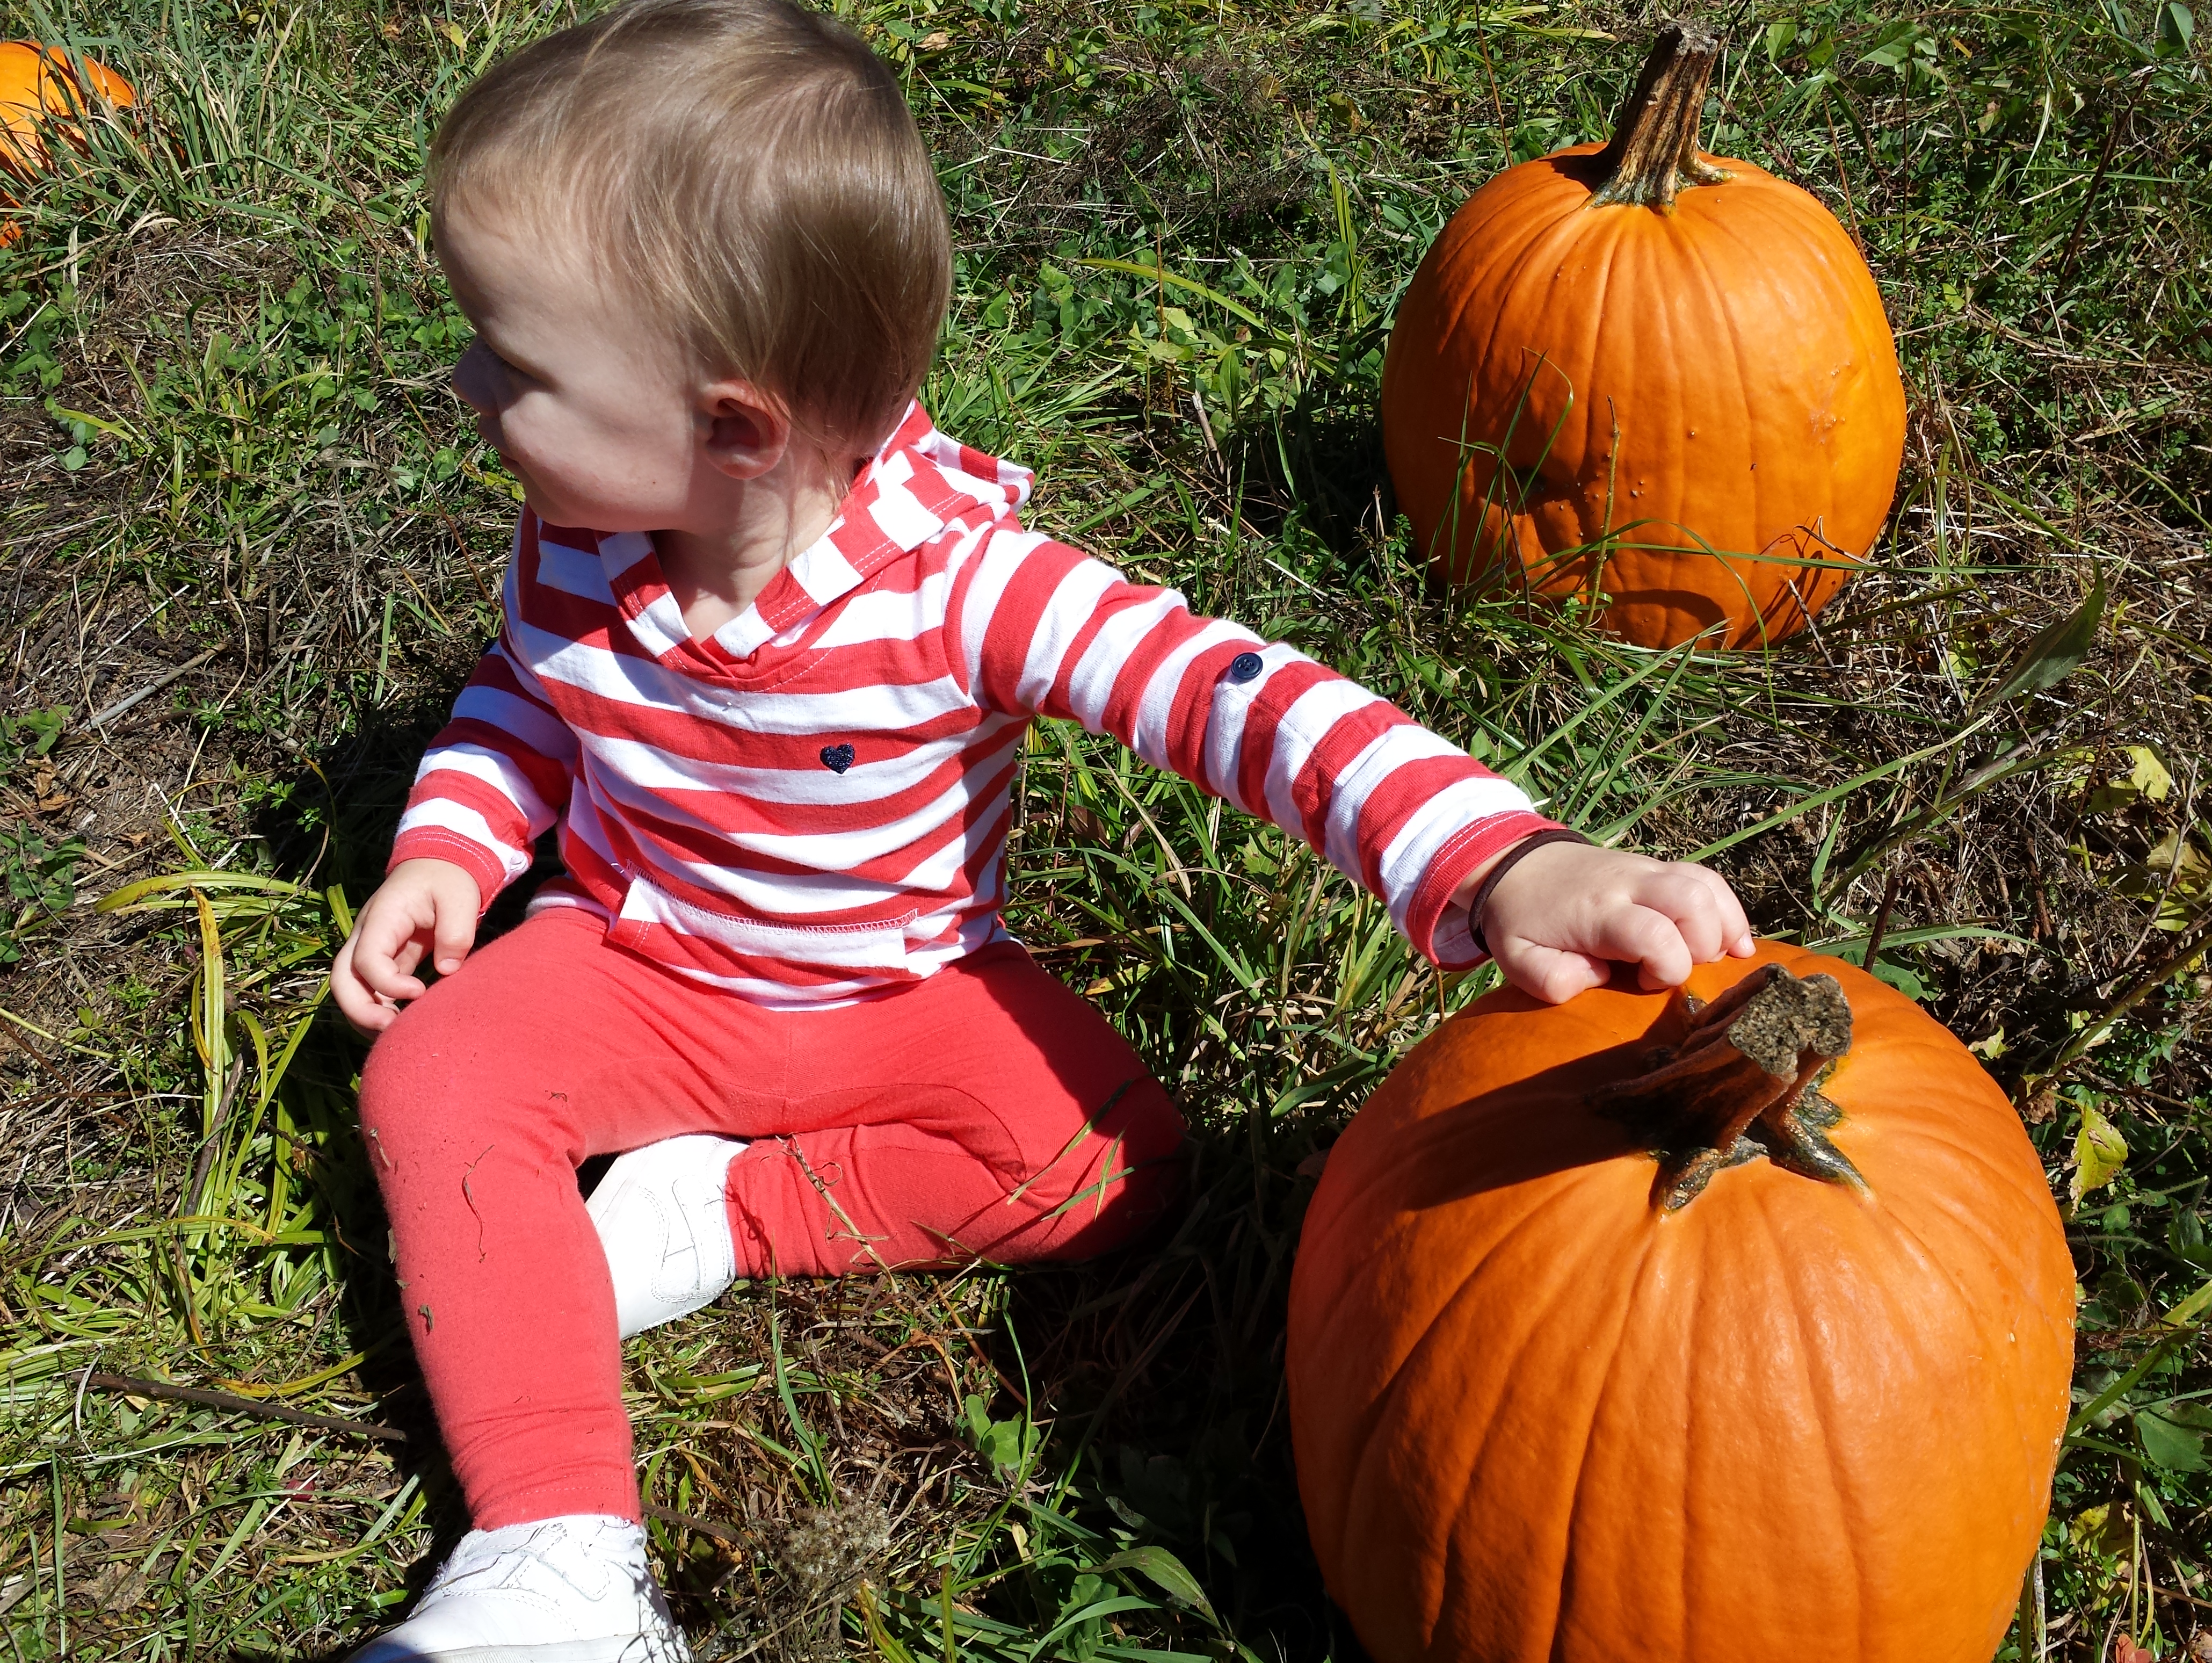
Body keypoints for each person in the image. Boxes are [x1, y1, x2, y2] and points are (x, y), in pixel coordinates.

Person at [329, 2, 1754, 1656]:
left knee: (1114, 1162)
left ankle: (713, 1215)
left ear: (731, 426)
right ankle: (560, 1556)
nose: (462, 381)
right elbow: (524, 702)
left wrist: (1502, 860)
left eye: (512, 361)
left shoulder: (965, 588)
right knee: (435, 1078)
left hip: (899, 996)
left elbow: (1245, 704)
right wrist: (452, 848)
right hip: (631, 956)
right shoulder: (581, 534)